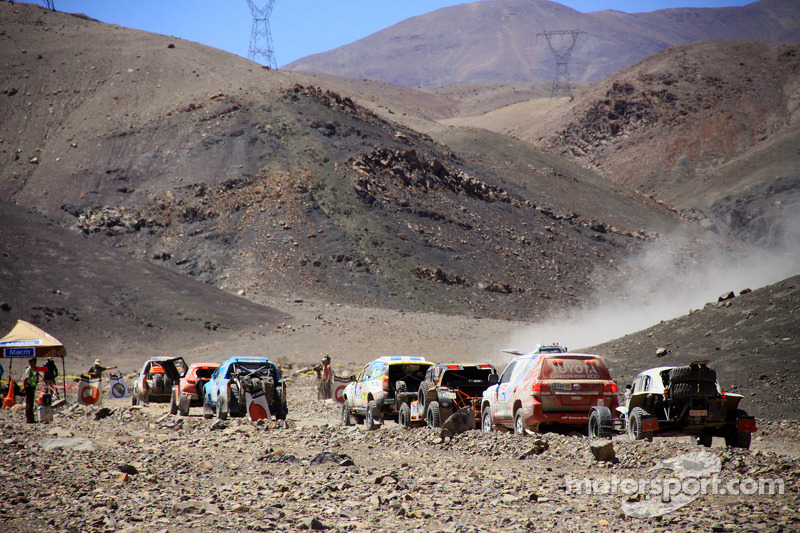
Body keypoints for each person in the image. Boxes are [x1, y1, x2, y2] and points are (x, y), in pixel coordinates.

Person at [22, 358, 40, 424]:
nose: (35, 364)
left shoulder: (31, 370)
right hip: (29, 388)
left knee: (30, 403)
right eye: (34, 362)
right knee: (29, 404)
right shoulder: (29, 370)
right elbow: (26, 379)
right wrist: (24, 387)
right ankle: (30, 419)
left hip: (31, 388)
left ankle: (31, 419)